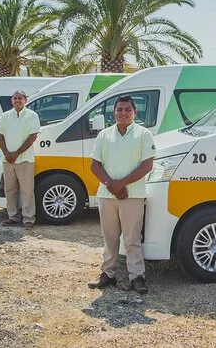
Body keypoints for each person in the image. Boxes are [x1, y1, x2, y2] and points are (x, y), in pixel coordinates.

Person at [89, 95, 155, 294]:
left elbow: (147, 165)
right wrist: (111, 185)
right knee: (109, 238)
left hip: (132, 195)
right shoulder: (104, 135)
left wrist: (121, 184)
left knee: (132, 239)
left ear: (135, 112)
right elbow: (95, 165)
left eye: (127, 109)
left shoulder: (144, 134)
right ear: (114, 112)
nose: (123, 113)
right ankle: (108, 274)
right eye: (119, 109)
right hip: (107, 195)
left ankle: (137, 277)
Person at [0, 90, 40, 229]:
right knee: (10, 189)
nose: (17, 100)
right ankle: (13, 216)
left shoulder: (32, 116)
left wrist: (16, 153)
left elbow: (32, 137)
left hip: (25, 159)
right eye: (15, 98)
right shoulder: (6, 116)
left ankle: (28, 219)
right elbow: (0, 136)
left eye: (20, 98)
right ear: (11, 100)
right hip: (8, 160)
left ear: (25, 100)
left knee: (27, 190)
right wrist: (6, 153)